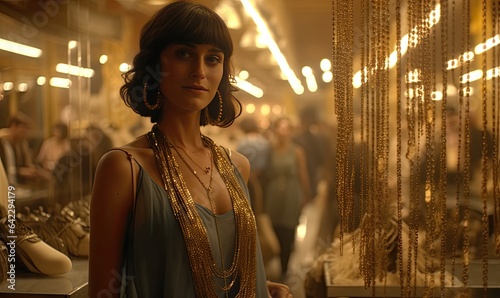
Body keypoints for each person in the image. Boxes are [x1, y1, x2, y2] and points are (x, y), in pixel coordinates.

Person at [89, 2, 292, 297]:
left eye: (212, 58)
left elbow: (218, 263)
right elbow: (102, 292)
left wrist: (260, 285)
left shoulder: (237, 165)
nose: (199, 71)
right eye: (184, 53)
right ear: (156, 66)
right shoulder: (124, 168)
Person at [263, 116, 311, 280]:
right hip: (274, 192)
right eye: (279, 129)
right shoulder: (270, 149)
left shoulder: (297, 151)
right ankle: (274, 263)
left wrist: (306, 194)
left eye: (286, 129)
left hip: (291, 193)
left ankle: (285, 267)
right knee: (273, 228)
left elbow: (303, 174)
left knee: (288, 230)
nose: (283, 133)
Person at [0, 113, 40, 184]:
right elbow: (7, 169)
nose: (24, 132)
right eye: (22, 128)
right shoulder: (3, 143)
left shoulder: (21, 143)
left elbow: (28, 164)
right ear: (13, 126)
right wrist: (20, 171)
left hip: (16, 185)